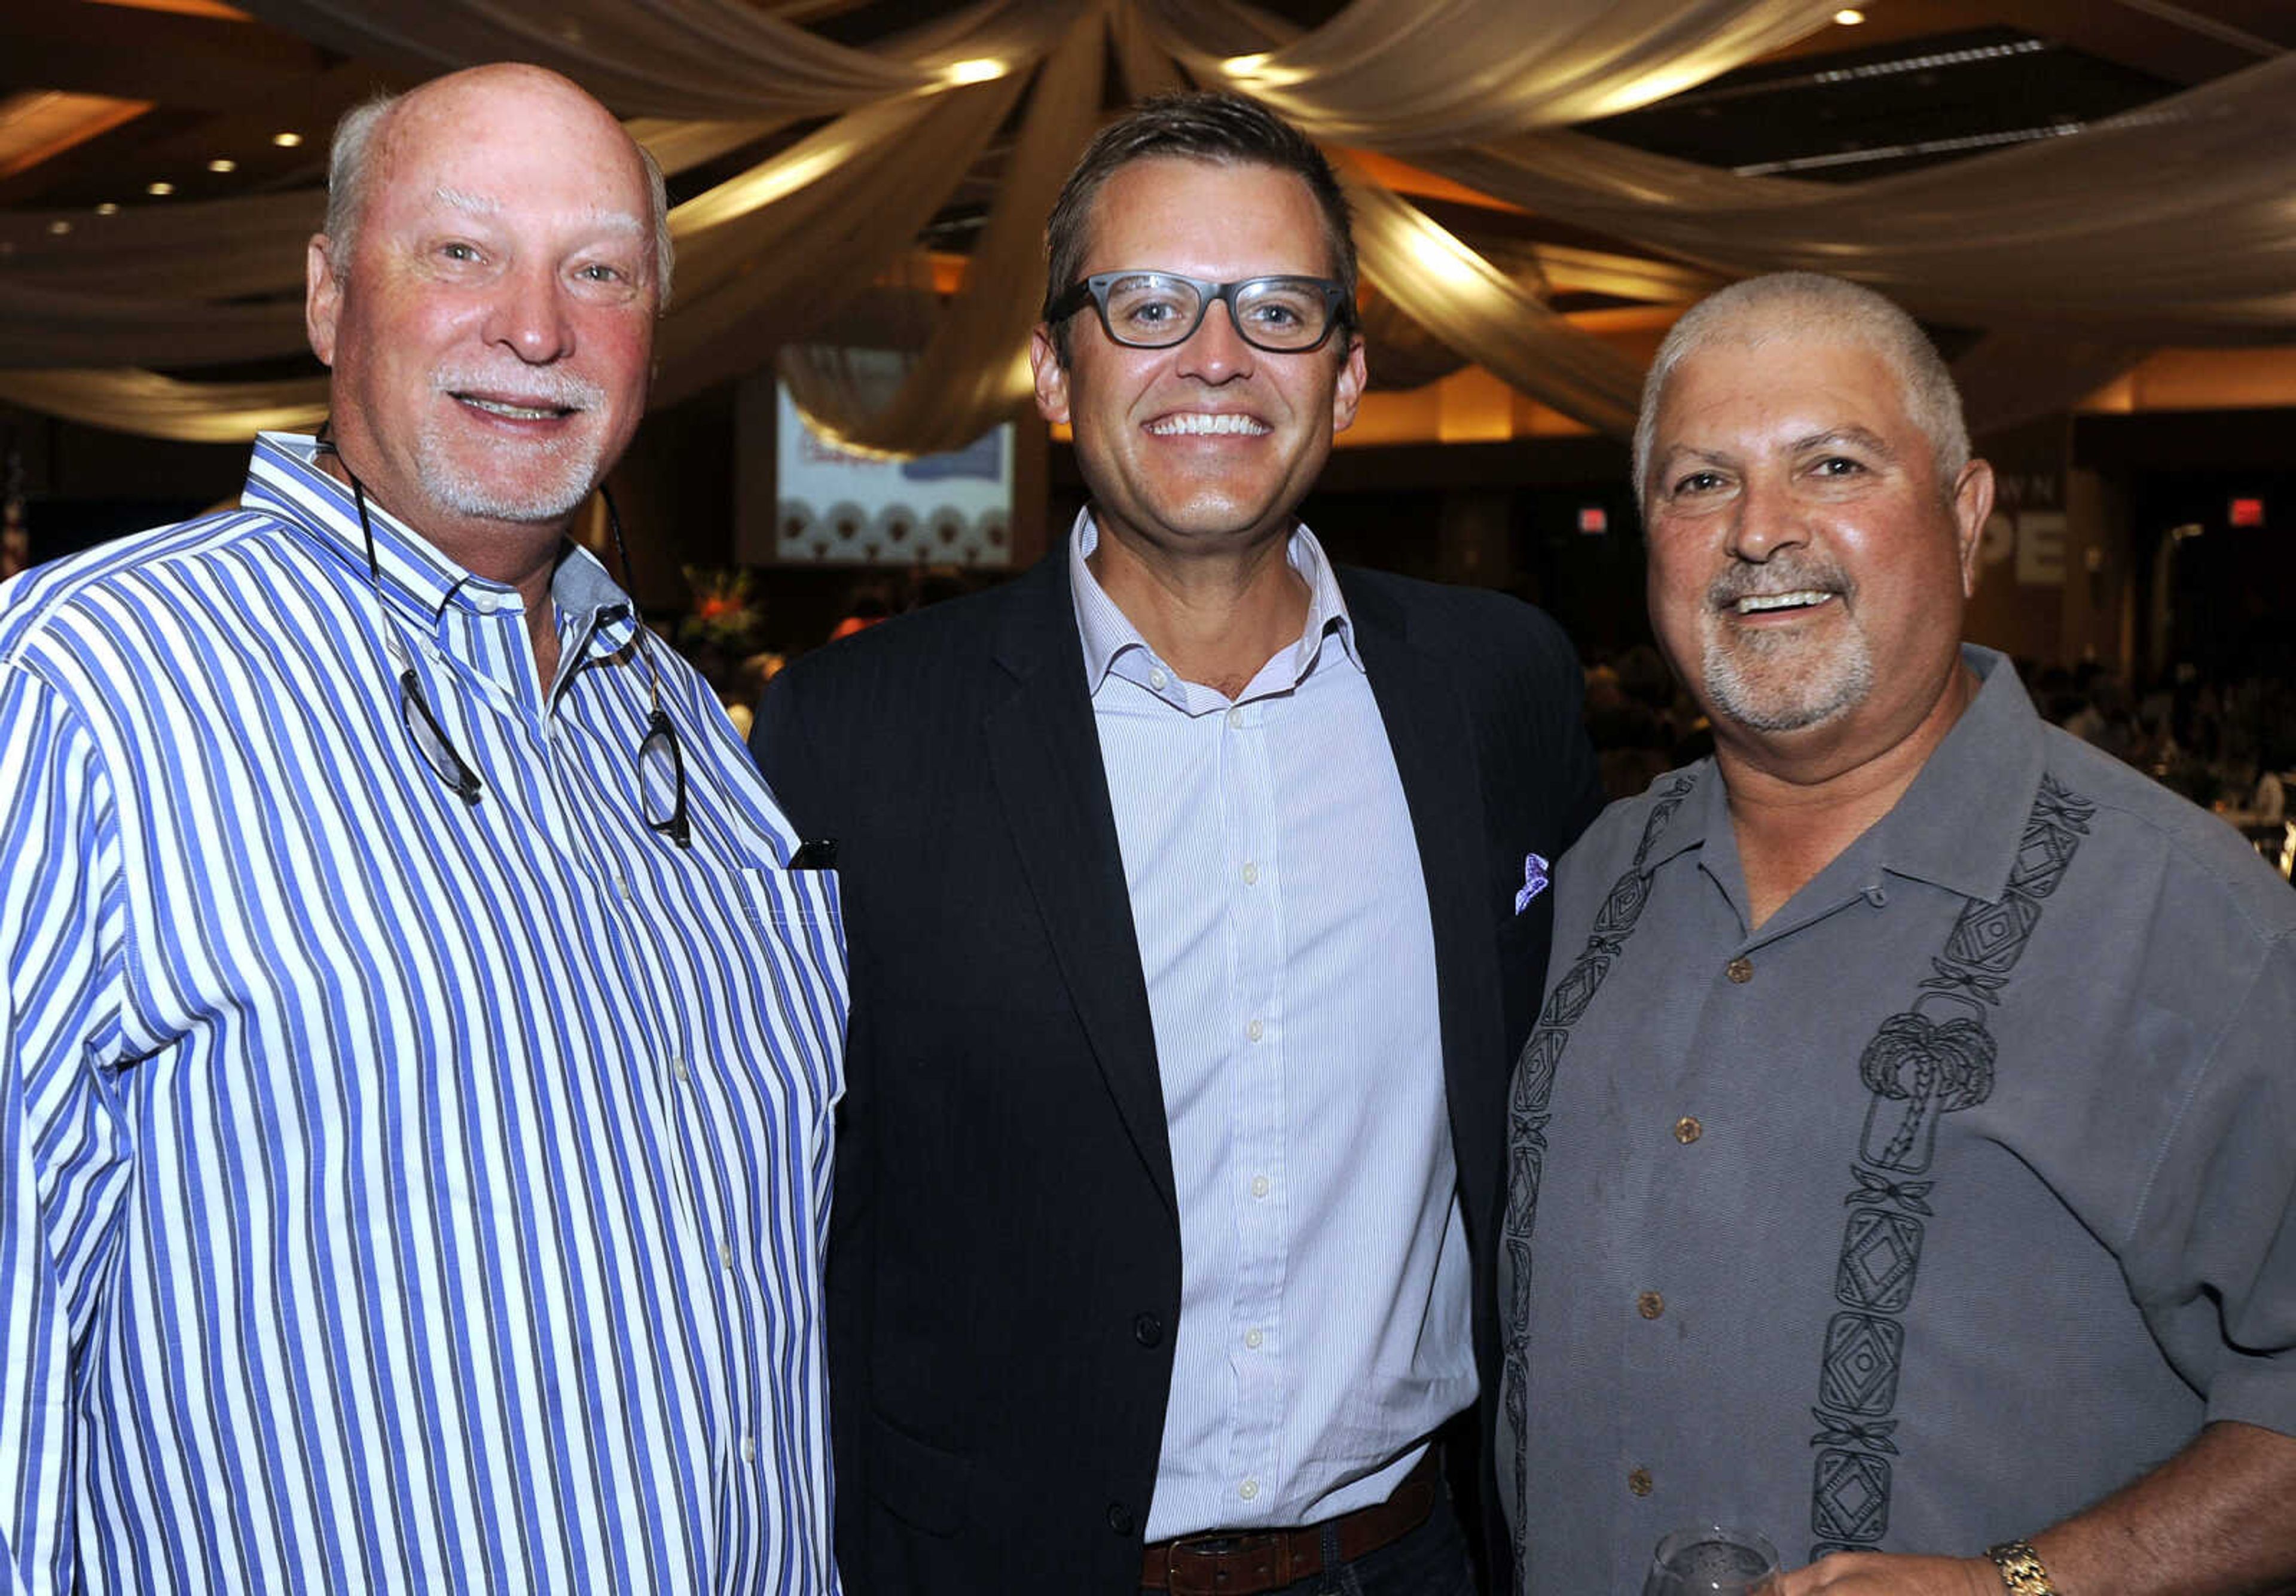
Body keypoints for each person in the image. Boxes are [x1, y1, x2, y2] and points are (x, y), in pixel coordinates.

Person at [0, 65, 848, 1592]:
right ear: (331, 298)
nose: (537, 327)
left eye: (600, 270)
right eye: (461, 253)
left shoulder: (695, 748)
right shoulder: (87, 683)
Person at [753, 91, 1602, 1596]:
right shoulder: (856, 730)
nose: (1216, 355)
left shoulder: (1498, 689)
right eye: (1148, 304)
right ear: (1054, 374)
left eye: (1277, 309)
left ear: (1346, 378)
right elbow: (797, 1212)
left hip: (1407, 1558)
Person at [1498, 272, 2296, 1596]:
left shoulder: (2192, 923)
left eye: (1833, 464)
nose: (1761, 532)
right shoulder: (1595, 879)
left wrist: (2029, 1586)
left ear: (1968, 516)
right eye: (1701, 483)